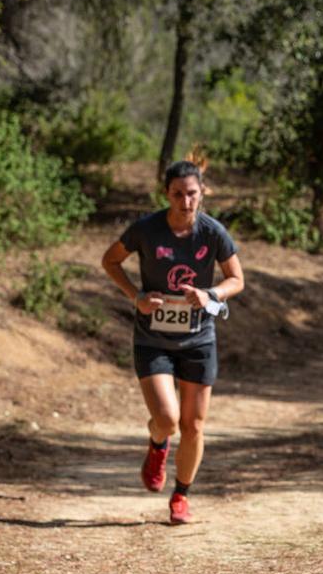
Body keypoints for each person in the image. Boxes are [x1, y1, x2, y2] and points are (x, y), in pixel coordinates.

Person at [101, 158, 244, 525]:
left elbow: (236, 280)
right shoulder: (147, 229)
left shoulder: (212, 232)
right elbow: (110, 261)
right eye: (178, 194)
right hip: (153, 339)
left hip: (199, 339)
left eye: (192, 194)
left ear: (202, 193)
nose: (185, 201)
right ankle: (157, 444)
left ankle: (181, 496)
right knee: (166, 418)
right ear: (166, 194)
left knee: (194, 425)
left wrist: (210, 293)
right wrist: (136, 297)